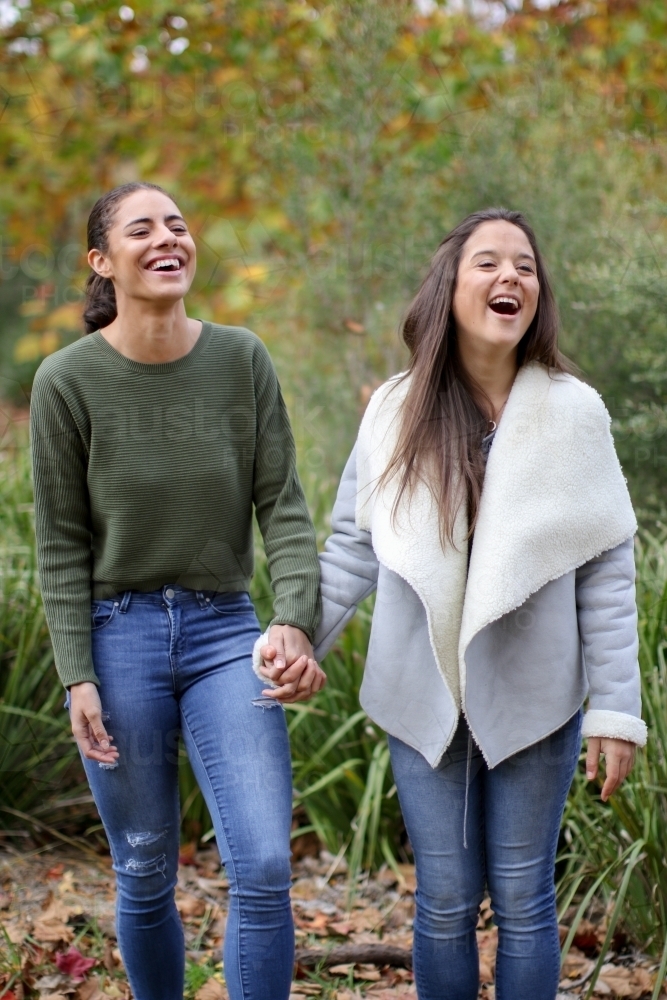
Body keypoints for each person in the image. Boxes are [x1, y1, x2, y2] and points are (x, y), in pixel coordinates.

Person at [261, 207, 646, 1000]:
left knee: (524, 901)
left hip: (535, 697)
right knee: (440, 904)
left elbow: (607, 569)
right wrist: (297, 634)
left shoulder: (576, 413)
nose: (511, 277)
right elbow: (350, 548)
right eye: (489, 263)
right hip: (420, 696)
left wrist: (614, 709)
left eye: (525, 267)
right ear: (449, 286)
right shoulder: (392, 411)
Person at [30, 181, 326, 1000]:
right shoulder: (66, 382)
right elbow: (59, 543)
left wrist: (294, 621)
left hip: (226, 631)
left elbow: (284, 508)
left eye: (179, 224)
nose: (168, 238)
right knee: (145, 867)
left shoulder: (241, 358)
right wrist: (76, 675)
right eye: (141, 228)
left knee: (264, 863)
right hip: (116, 632)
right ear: (102, 261)